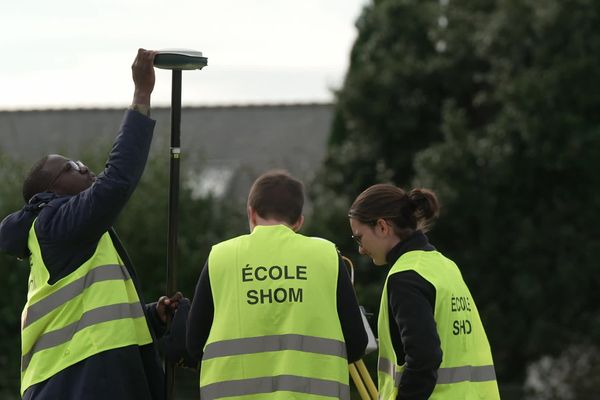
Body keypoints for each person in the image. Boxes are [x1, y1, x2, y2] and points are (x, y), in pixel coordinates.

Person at [0, 49, 187, 400]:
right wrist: (141, 95)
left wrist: (150, 318)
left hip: (80, 379)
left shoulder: (75, 236)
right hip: (74, 383)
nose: (85, 168)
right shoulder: (53, 224)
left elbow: (91, 321)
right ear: (49, 191)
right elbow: (116, 181)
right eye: (71, 166)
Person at [187, 170, 368, 399]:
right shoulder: (326, 256)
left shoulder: (221, 257)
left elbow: (194, 345)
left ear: (251, 214)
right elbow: (356, 343)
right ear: (299, 222)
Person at [348, 184, 500, 400]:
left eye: (359, 238)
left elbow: (424, 358)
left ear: (382, 227)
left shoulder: (406, 278)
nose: (360, 249)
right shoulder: (445, 266)